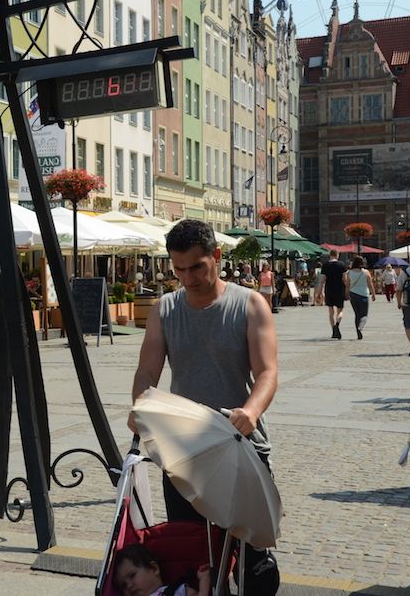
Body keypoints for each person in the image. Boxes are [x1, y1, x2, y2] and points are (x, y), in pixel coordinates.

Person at [129, 219, 280, 594]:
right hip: (184, 447)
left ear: (216, 256)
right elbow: (147, 370)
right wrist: (141, 406)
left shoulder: (249, 303)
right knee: (194, 552)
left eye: (197, 266)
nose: (188, 277)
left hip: (238, 442)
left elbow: (267, 372)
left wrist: (252, 412)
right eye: (178, 269)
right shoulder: (165, 308)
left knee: (251, 555)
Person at [112, 543, 211, 596]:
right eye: (123, 586)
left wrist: (204, 580)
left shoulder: (178, 590)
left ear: (154, 569)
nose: (129, 586)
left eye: (132, 575)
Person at [317, 250, 348, 339]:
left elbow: (322, 281)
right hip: (339, 289)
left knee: (331, 311)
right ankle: (337, 324)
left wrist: (319, 293)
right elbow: (345, 279)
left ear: (330, 255)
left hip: (329, 290)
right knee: (340, 310)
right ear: (337, 255)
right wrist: (347, 290)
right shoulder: (342, 265)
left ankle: (333, 331)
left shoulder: (325, 265)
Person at [346, 256, 376, 340]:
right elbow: (370, 284)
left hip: (353, 294)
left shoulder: (349, 272)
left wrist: (347, 293)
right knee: (364, 314)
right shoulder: (366, 272)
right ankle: (361, 327)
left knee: (357, 314)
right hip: (364, 294)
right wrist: (373, 294)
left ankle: (357, 331)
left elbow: (347, 284)